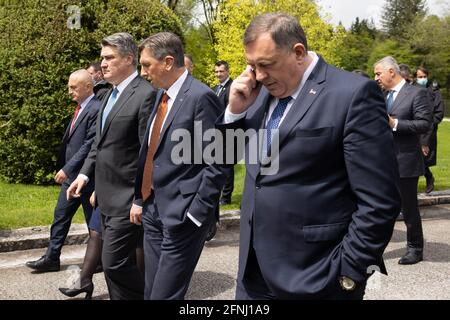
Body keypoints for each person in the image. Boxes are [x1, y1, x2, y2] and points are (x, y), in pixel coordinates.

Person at [216, 13, 401, 300]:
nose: (259, 75)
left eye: (266, 64)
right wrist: (234, 112)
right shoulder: (258, 94)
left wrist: (349, 272)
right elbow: (225, 160)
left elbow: (380, 200)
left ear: (298, 52)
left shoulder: (351, 95)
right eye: (252, 65)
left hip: (318, 278)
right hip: (253, 276)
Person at [131, 32, 225, 300]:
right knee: (151, 292)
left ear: (168, 62)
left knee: (164, 295)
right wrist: (141, 198)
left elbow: (218, 162)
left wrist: (197, 213)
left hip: (183, 215)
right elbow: (151, 151)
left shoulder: (201, 97)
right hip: (153, 210)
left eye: (147, 65)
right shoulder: (161, 97)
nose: (143, 72)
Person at [67, 32, 157, 300]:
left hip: (127, 197)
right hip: (104, 196)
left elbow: (147, 152)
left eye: (109, 58)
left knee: (114, 262)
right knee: (111, 267)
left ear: (129, 59)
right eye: (102, 58)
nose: (102, 64)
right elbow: (99, 145)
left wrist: (140, 198)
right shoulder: (106, 95)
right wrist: (84, 176)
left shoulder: (145, 94)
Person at [26, 70, 101, 273]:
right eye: (69, 87)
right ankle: (52, 258)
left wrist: (68, 169)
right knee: (60, 217)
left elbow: (89, 145)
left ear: (88, 86)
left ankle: (100, 261)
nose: (69, 91)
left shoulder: (96, 108)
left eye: (73, 87)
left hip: (88, 178)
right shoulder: (80, 108)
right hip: (72, 179)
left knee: (92, 223)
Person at [374, 56, 432, 265]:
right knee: (380, 207)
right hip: (382, 161)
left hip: (405, 161)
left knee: (408, 208)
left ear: (392, 72)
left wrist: (395, 123)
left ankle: (415, 248)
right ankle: (374, 249)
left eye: (378, 73)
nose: (376, 78)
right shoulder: (380, 94)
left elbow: (425, 123)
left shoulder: (416, 93)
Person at [414, 66, 445, 193]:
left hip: (428, 129)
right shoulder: (412, 90)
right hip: (414, 128)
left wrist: (429, 124)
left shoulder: (434, 91)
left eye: (424, 76)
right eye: (419, 77)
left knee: (424, 158)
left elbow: (439, 112)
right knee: (414, 158)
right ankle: (411, 187)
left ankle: (429, 177)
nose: (422, 79)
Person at [213, 60, 235, 206]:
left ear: (227, 72)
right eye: (216, 71)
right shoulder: (214, 89)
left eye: (221, 71)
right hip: (216, 131)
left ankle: (226, 197)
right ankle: (218, 192)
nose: (218, 74)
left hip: (228, 130)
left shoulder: (232, 87)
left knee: (227, 164)